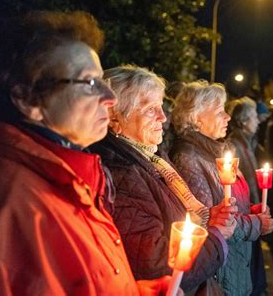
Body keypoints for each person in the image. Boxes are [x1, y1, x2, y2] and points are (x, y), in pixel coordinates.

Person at [0, 11, 175, 295]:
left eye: (103, 81)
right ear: (27, 98)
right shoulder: (13, 208)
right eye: (89, 83)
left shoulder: (77, 179)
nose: (110, 98)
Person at [89, 65, 237, 294]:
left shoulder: (153, 159)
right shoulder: (120, 173)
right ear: (114, 117)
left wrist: (207, 223)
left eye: (161, 107)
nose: (163, 117)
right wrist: (216, 239)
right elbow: (158, 267)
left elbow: (176, 222)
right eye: (150, 109)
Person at [170, 81, 273, 296]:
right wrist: (255, 224)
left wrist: (251, 210)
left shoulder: (214, 152)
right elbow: (211, 221)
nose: (228, 117)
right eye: (220, 111)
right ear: (196, 117)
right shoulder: (189, 159)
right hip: (220, 273)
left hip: (235, 263)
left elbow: (230, 204)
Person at [227, 96, 267, 296]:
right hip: (243, 219)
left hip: (250, 215)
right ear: (243, 121)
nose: (258, 120)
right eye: (253, 116)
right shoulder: (235, 145)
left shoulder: (247, 143)